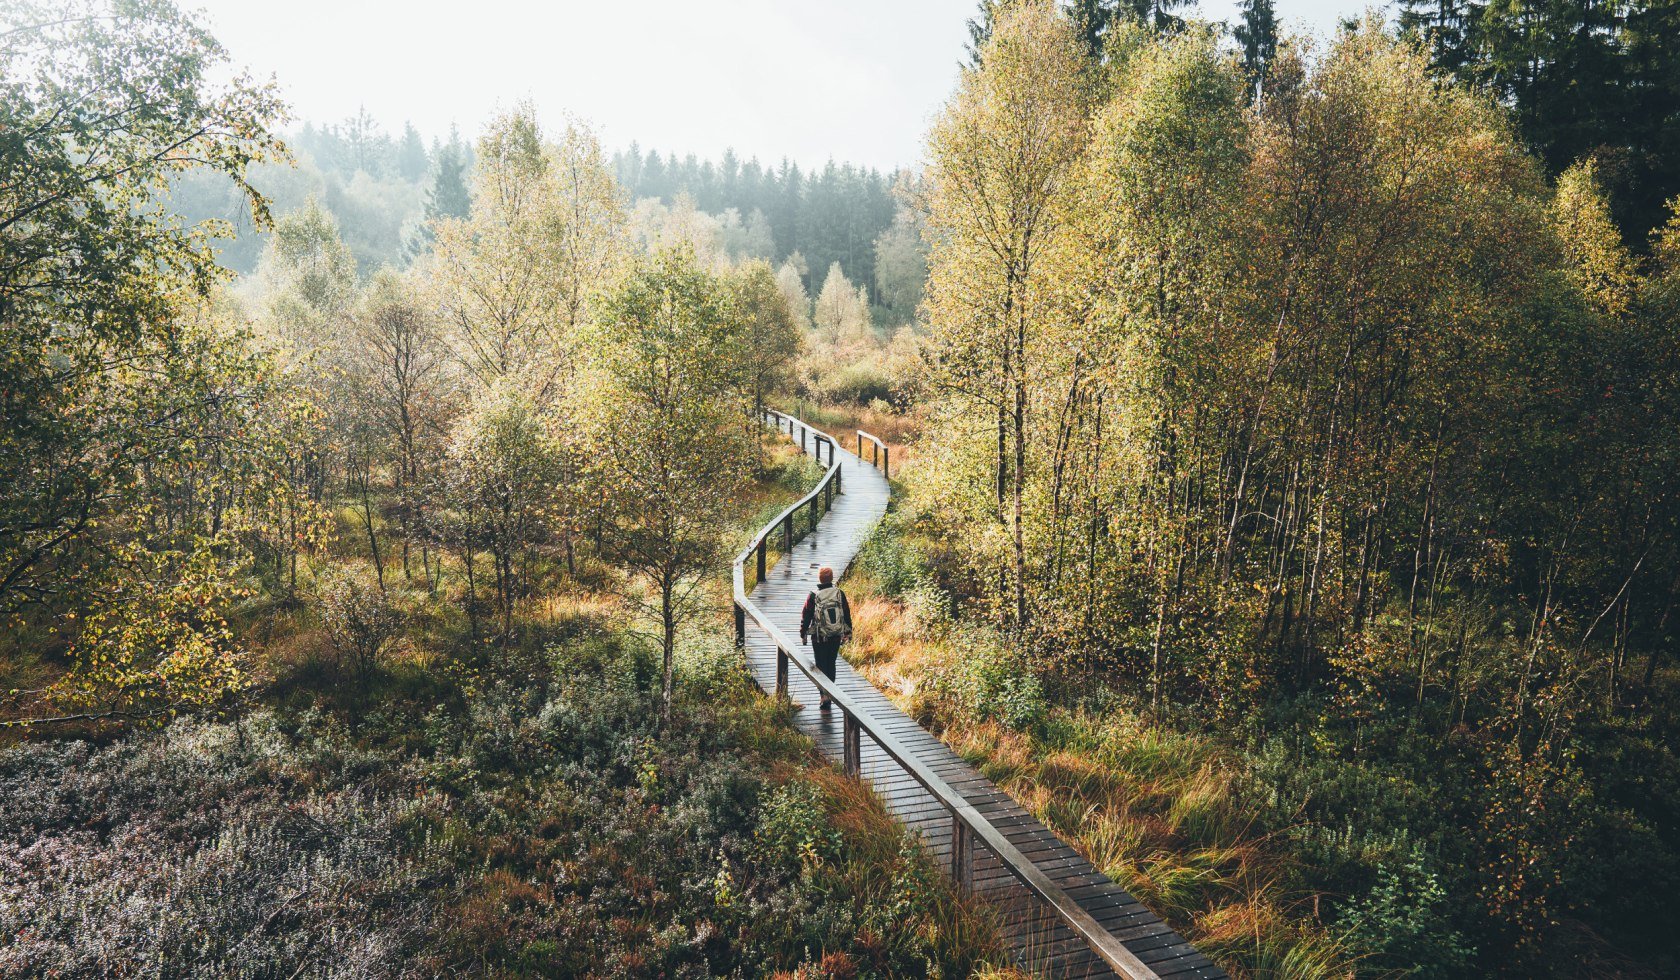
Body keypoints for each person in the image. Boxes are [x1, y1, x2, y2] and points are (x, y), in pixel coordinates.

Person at [799, 566, 852, 710]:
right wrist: (848, 633)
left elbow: (806, 615)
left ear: (819, 578)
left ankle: (824, 696)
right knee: (831, 664)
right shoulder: (839, 593)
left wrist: (803, 633)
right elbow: (846, 614)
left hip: (819, 637)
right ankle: (830, 693)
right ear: (832, 578)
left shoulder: (813, 595)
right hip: (835, 636)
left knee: (820, 665)